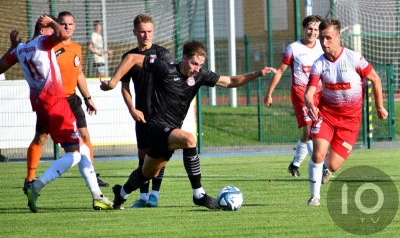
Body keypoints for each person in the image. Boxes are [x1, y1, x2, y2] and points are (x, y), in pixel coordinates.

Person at [100, 40, 276, 210]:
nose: (196, 68)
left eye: (199, 65)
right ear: (184, 58)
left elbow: (230, 81)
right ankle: (199, 194)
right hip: (153, 128)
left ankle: (120, 193)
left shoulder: (199, 75)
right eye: (193, 63)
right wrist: (113, 82)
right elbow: (131, 58)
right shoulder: (165, 69)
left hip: (169, 132)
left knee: (149, 173)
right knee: (189, 139)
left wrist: (257, 74)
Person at [0, 15, 113, 212]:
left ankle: (98, 196)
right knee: (75, 154)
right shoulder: (43, 43)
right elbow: (60, 34)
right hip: (56, 103)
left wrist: (12, 46)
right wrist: (53, 23)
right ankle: (35, 186)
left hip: (40, 104)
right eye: (52, 30)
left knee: (82, 147)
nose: (56, 35)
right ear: (44, 31)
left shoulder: (20, 49)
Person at [304, 18, 388, 206]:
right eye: (321, 39)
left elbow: (375, 79)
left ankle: (327, 167)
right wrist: (310, 104)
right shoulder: (319, 63)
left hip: (350, 121)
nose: (324, 43)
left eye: (328, 38)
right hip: (326, 115)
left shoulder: (353, 58)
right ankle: (314, 197)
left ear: (338, 37)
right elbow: (309, 92)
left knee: (333, 164)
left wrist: (379, 106)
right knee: (317, 154)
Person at [23, 11, 108, 189]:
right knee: (41, 137)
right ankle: (30, 178)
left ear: (75, 26)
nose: (67, 27)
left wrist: (88, 98)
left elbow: (79, 74)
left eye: (70, 24)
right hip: (53, 102)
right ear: (57, 26)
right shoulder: (48, 46)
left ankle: (92, 175)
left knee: (85, 136)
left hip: (72, 99)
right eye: (63, 24)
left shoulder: (77, 47)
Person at [120, 14, 172, 208]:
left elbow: (170, 83)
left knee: (158, 156)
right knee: (143, 156)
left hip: (161, 115)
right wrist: (132, 109)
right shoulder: (129, 57)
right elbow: (124, 86)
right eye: (142, 31)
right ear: (135, 32)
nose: (146, 35)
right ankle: (142, 197)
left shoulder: (163, 54)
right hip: (141, 115)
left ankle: (154, 196)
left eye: (149, 31)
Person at [264, 15, 323, 177]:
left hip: (320, 93)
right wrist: (269, 93)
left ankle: (294, 165)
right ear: (303, 29)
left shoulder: (323, 46)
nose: (312, 32)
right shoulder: (293, 48)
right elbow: (280, 71)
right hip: (301, 94)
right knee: (311, 131)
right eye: (309, 28)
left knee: (308, 133)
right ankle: (322, 166)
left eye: (316, 29)